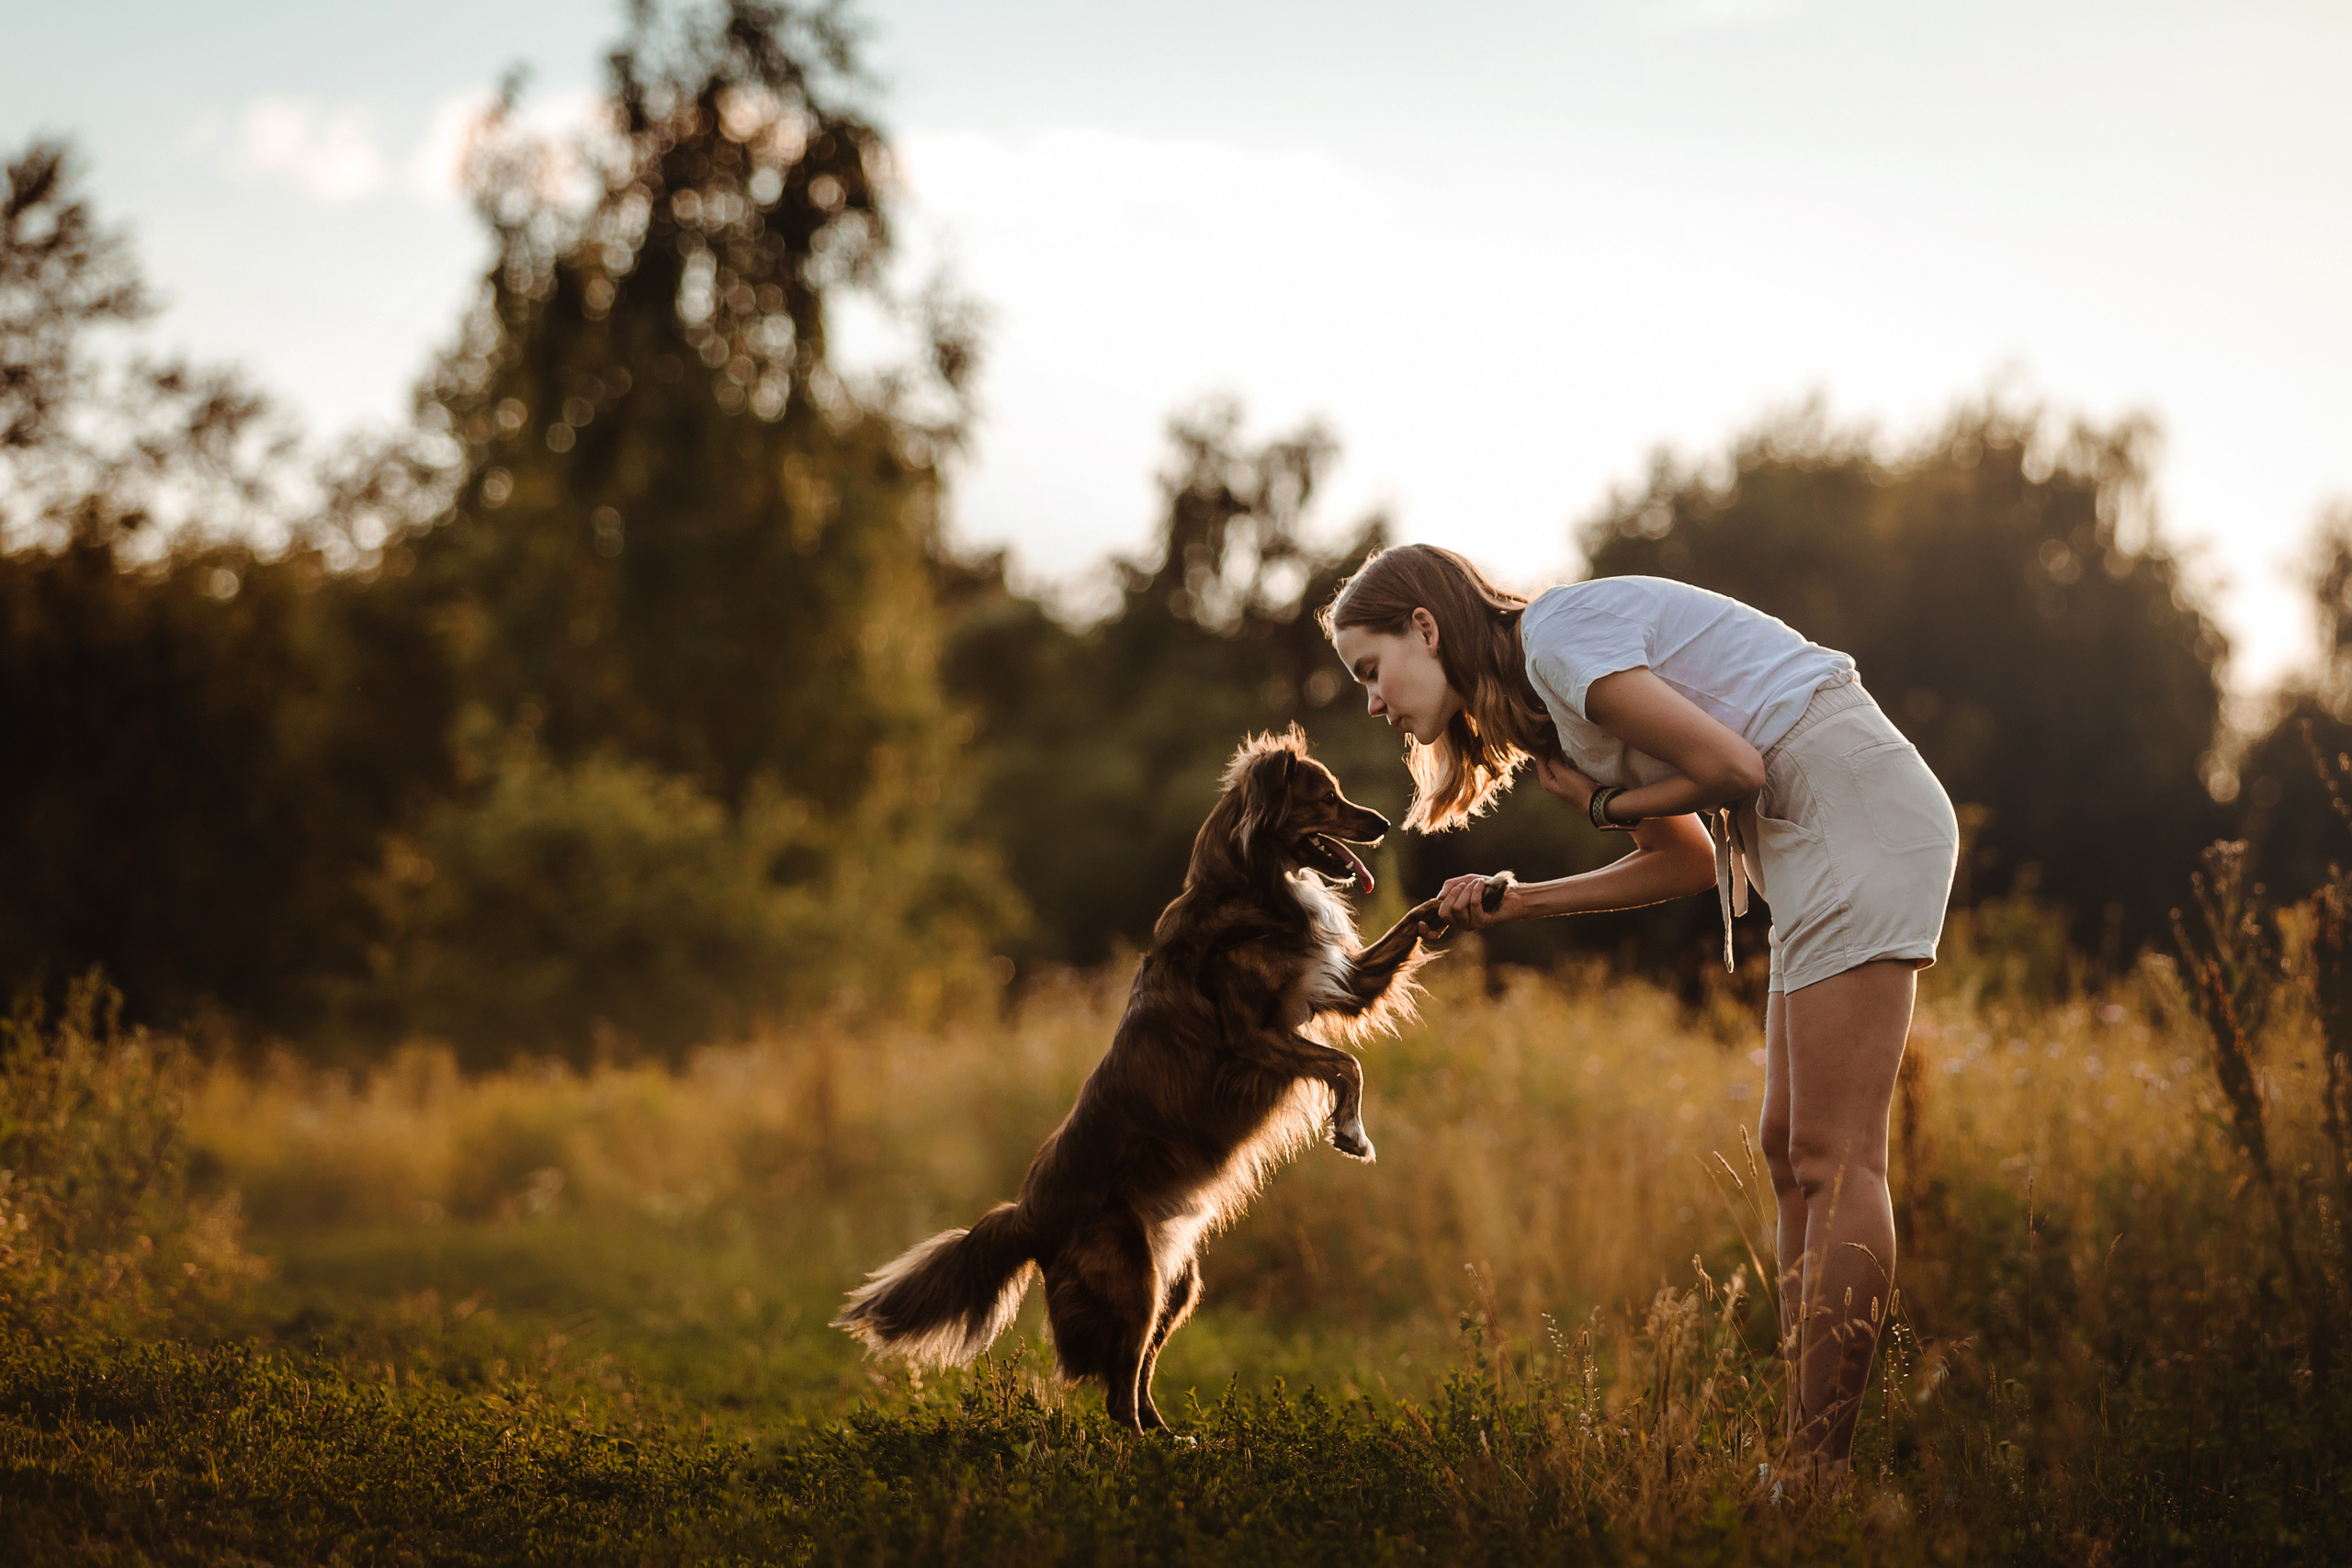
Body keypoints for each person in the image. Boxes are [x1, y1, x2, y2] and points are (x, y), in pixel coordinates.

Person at [1320, 543, 1959, 1479]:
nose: (1372, 702)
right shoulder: (1553, 708)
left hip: (1853, 815)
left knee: (1837, 1156)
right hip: (1816, 832)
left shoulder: (1559, 639)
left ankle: (1815, 1475)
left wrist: (1603, 802)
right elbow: (1687, 860)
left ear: (1425, 625)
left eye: (1371, 671)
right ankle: (1802, 1456)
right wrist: (1521, 897)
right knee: (1791, 1150)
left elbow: (1734, 771)